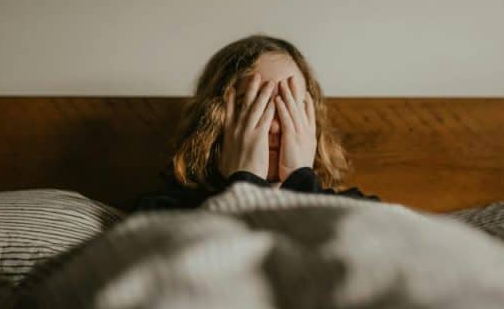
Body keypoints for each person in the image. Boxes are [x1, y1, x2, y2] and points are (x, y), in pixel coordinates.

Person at [134, 35, 378, 211]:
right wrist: (245, 182)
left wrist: (301, 181)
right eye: (251, 107)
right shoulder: (164, 214)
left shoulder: (358, 212)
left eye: (289, 105)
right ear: (214, 119)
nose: (273, 126)